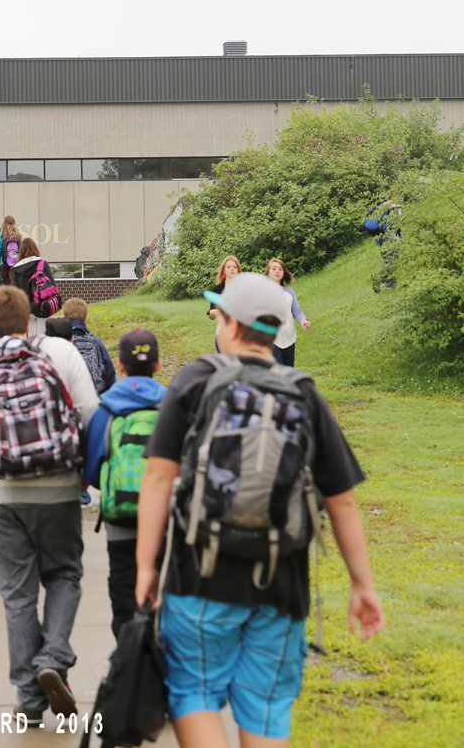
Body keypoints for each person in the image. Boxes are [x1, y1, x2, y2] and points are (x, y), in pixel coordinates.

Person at [136, 272, 384, 748]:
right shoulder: (305, 393)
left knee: (195, 695)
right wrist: (363, 584)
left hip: (198, 575)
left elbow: (159, 477)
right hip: (280, 583)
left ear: (228, 325)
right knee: (267, 709)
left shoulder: (195, 380)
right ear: (275, 330)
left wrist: (147, 566)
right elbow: (342, 500)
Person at [0, 287, 100, 725]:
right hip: (60, 487)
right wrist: (86, 472)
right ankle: (53, 656)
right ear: (30, 319)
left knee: (18, 596)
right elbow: (93, 413)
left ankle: (30, 702)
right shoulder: (61, 356)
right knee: (65, 575)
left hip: (4, 495)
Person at [83, 329, 166, 637]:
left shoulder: (105, 407)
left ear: (119, 365)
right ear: (157, 365)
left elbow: (91, 471)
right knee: (164, 597)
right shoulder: (174, 405)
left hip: (121, 520)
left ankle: (129, 666)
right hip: (165, 522)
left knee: (124, 598)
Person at [62, 297, 116, 393]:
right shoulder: (96, 343)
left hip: (67, 399)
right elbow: (110, 375)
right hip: (95, 398)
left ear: (63, 316)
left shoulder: (59, 343)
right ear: (86, 318)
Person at [264, 258, 310, 367]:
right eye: (274, 269)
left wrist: (304, 322)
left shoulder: (289, 291)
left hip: (289, 338)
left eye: (280, 269)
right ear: (268, 272)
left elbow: (297, 311)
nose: (277, 271)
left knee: (289, 372)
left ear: (283, 273)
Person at [11, 237, 61, 335]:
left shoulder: (16, 269)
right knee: (42, 337)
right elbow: (53, 286)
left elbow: (14, 293)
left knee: (29, 339)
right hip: (43, 304)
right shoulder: (42, 263)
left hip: (26, 308)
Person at [206, 256, 243, 352]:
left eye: (235, 267)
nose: (232, 269)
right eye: (229, 267)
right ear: (224, 271)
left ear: (238, 271)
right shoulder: (217, 289)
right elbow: (211, 314)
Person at [0, 215, 22, 285]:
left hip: (4, 261)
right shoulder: (18, 235)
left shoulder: (1, 235)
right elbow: (21, 248)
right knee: (16, 282)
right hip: (16, 262)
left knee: (6, 282)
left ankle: (7, 295)